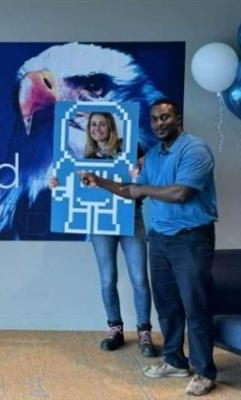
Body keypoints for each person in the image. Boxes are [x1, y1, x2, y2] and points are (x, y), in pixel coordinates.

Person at [81, 99, 218, 396]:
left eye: (165, 117)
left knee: (195, 305)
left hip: (191, 238)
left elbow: (181, 193)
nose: (159, 123)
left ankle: (204, 371)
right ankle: (174, 361)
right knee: (167, 305)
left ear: (178, 119)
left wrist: (142, 188)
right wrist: (99, 181)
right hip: (159, 239)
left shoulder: (195, 149)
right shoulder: (153, 156)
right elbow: (131, 191)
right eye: (155, 119)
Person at [49, 112, 156, 357]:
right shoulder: (84, 157)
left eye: (102, 124)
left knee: (140, 278)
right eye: (93, 124)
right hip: (100, 222)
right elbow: (70, 187)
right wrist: (56, 183)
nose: (97, 128)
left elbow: (146, 175)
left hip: (130, 218)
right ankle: (115, 328)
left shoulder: (129, 149)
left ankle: (144, 331)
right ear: (88, 129)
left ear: (111, 126)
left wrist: (140, 168)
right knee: (108, 278)